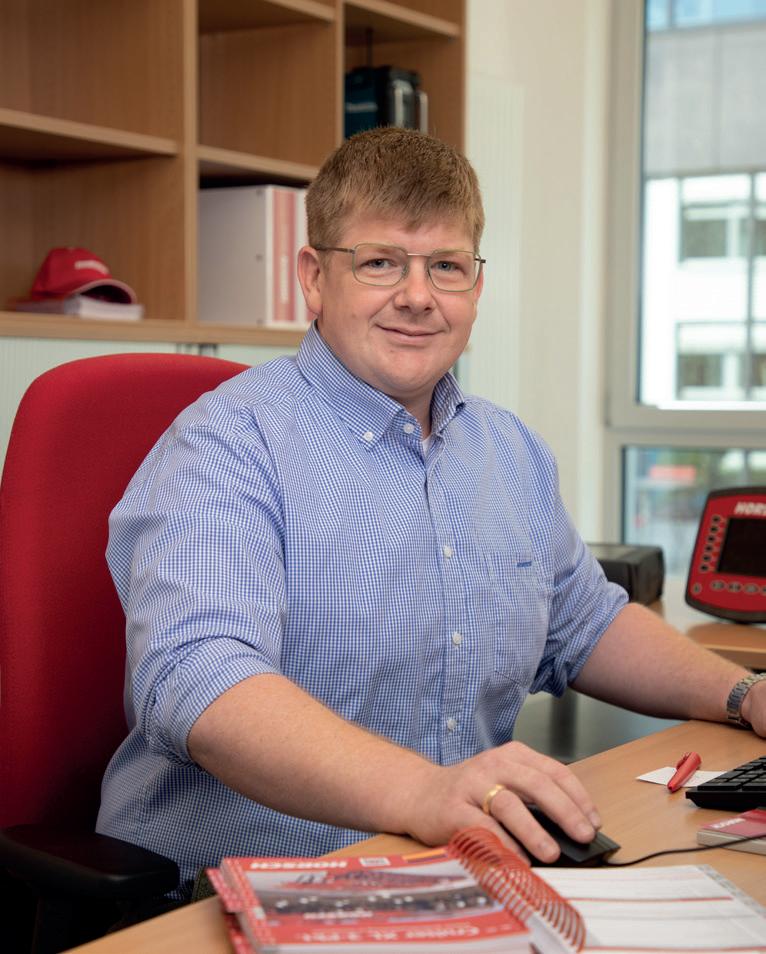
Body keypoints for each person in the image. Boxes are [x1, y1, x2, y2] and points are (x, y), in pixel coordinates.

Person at [97, 127, 766, 902]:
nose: (418, 296)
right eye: (380, 262)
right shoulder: (226, 443)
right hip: (237, 889)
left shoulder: (510, 451)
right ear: (314, 278)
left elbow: (585, 622)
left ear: (476, 287)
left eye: (446, 266)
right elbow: (202, 681)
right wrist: (424, 792)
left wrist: (743, 694)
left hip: (454, 875)